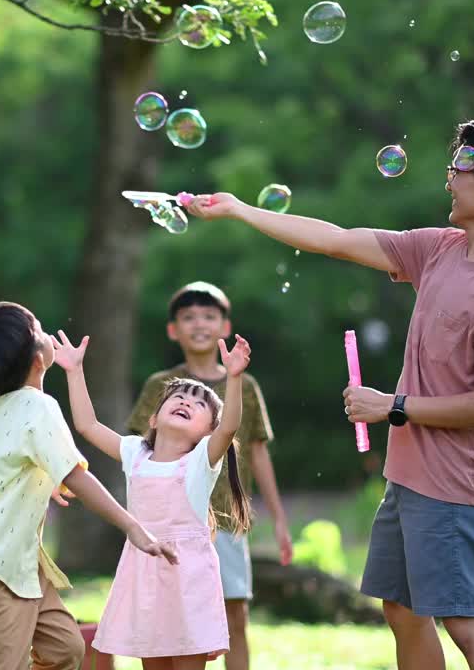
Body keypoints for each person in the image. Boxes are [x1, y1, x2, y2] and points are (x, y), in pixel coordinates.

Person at [187, 119, 474, 670]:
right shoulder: (440, 250)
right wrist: (239, 209)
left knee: (465, 623)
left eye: (459, 169)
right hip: (406, 477)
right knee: (401, 610)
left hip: (452, 487)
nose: (448, 179)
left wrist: (392, 406)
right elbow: (336, 239)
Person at [0, 301, 178, 670]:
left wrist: (42, 478)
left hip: (12, 562)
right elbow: (77, 477)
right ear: (37, 358)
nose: (47, 330)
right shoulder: (39, 407)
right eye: (38, 328)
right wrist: (132, 525)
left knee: (64, 649)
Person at [54, 328, 253, 670]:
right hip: (143, 571)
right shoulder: (134, 453)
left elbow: (230, 426)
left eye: (199, 403)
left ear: (208, 432)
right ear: (152, 418)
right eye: (178, 397)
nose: (186, 401)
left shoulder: (201, 460)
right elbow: (87, 425)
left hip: (188, 578)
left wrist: (234, 378)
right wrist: (74, 371)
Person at [126, 281, 292, 670]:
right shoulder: (160, 386)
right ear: (173, 329)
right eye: (188, 317)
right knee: (167, 620)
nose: (199, 324)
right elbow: (138, 453)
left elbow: (256, 450)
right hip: (169, 523)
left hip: (224, 520)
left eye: (208, 316)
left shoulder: (243, 385)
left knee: (234, 612)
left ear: (225, 325)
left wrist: (279, 518)